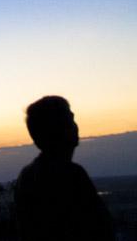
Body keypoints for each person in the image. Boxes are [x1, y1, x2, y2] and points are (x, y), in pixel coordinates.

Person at [15, 96, 114, 241]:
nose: (75, 126)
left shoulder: (27, 175)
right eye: (69, 120)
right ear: (56, 129)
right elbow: (100, 227)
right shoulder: (71, 174)